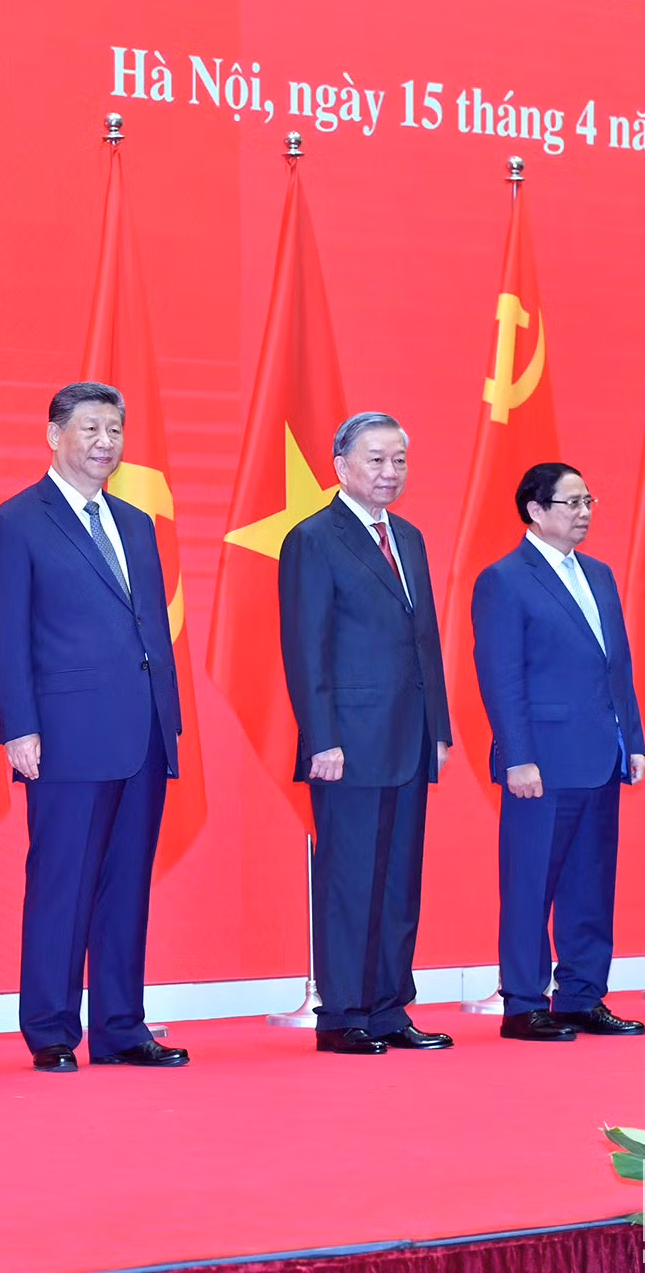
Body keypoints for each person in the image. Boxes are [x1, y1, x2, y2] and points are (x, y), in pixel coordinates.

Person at [0, 381, 188, 1073]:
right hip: (65, 734)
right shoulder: (17, 522)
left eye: (114, 432)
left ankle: (122, 1027)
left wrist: (170, 716)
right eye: (91, 429)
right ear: (54, 435)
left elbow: (150, 627)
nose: (105, 444)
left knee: (127, 884)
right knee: (62, 883)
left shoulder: (136, 523)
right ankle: (50, 1028)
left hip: (144, 733)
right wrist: (19, 727)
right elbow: (5, 634)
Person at [277, 412, 453, 1056]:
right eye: (376, 460)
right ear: (341, 466)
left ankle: (388, 1009)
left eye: (399, 460)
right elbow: (306, 646)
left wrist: (438, 724)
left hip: (408, 737)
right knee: (350, 879)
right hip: (347, 743)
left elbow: (424, 639)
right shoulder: (313, 538)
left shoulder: (408, 537)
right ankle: (343, 1013)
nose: (389, 472)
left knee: (400, 881)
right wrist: (321, 737)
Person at [472, 462, 645, 1042]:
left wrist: (635, 740)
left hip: (600, 755)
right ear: (536, 510)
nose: (584, 513)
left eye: (589, 501)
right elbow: (501, 676)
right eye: (571, 503)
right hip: (541, 762)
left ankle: (580, 996)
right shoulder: (505, 578)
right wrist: (517, 755)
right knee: (530, 883)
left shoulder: (597, 574)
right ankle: (524, 1003)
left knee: (591, 883)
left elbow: (616, 665)